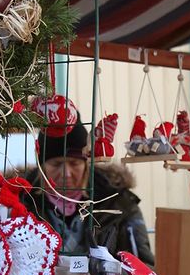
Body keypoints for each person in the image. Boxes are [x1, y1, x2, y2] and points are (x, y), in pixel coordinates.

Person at [26, 96, 154, 266]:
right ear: (41, 166)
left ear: (86, 164)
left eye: (74, 163)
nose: (66, 174)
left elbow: (143, 268)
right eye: (56, 164)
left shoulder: (118, 203)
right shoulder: (21, 201)